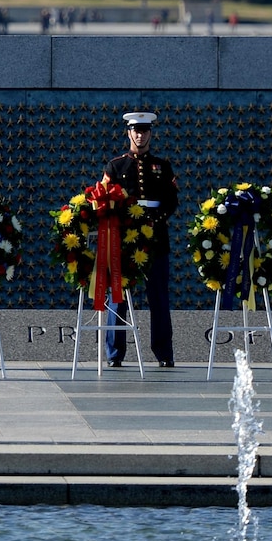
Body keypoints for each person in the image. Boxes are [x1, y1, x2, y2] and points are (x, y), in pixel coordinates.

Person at [102, 111, 178, 368]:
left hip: (156, 239)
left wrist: (155, 220)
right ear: (129, 133)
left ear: (150, 134)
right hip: (125, 240)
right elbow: (106, 199)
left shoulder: (162, 166)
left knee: (158, 298)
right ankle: (115, 354)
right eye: (136, 130)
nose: (140, 135)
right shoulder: (116, 166)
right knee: (118, 296)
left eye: (144, 130)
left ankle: (164, 353)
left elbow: (171, 200)